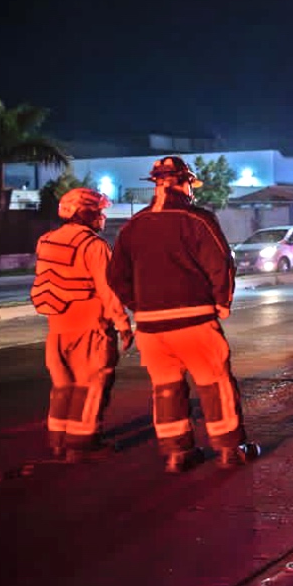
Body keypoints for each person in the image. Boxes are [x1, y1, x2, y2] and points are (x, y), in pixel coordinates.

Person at [107, 156, 260, 473]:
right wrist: (222, 302)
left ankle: (178, 454)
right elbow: (221, 263)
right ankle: (230, 449)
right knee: (215, 384)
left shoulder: (133, 226)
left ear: (156, 184)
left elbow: (115, 276)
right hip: (195, 321)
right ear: (184, 183)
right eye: (190, 184)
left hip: (151, 328)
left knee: (166, 389)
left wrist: (140, 305)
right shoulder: (197, 219)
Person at [30, 188, 135, 462]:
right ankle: (82, 444)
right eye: (99, 212)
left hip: (57, 329)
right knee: (91, 385)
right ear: (85, 213)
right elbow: (108, 290)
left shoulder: (46, 241)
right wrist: (123, 324)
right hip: (90, 327)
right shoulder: (94, 245)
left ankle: (58, 441)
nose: (102, 217)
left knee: (63, 386)